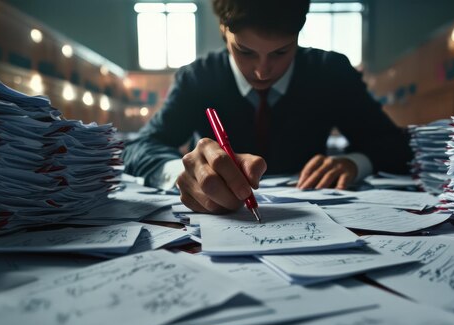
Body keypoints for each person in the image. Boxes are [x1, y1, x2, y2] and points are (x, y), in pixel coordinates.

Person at [122, 0, 412, 214]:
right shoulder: (198, 78)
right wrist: (184, 174)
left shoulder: (331, 72)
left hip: (318, 215)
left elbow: (395, 144)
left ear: (299, 33)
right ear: (224, 31)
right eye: (245, 52)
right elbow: (139, 148)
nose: (262, 72)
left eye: (281, 52)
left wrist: (354, 162)